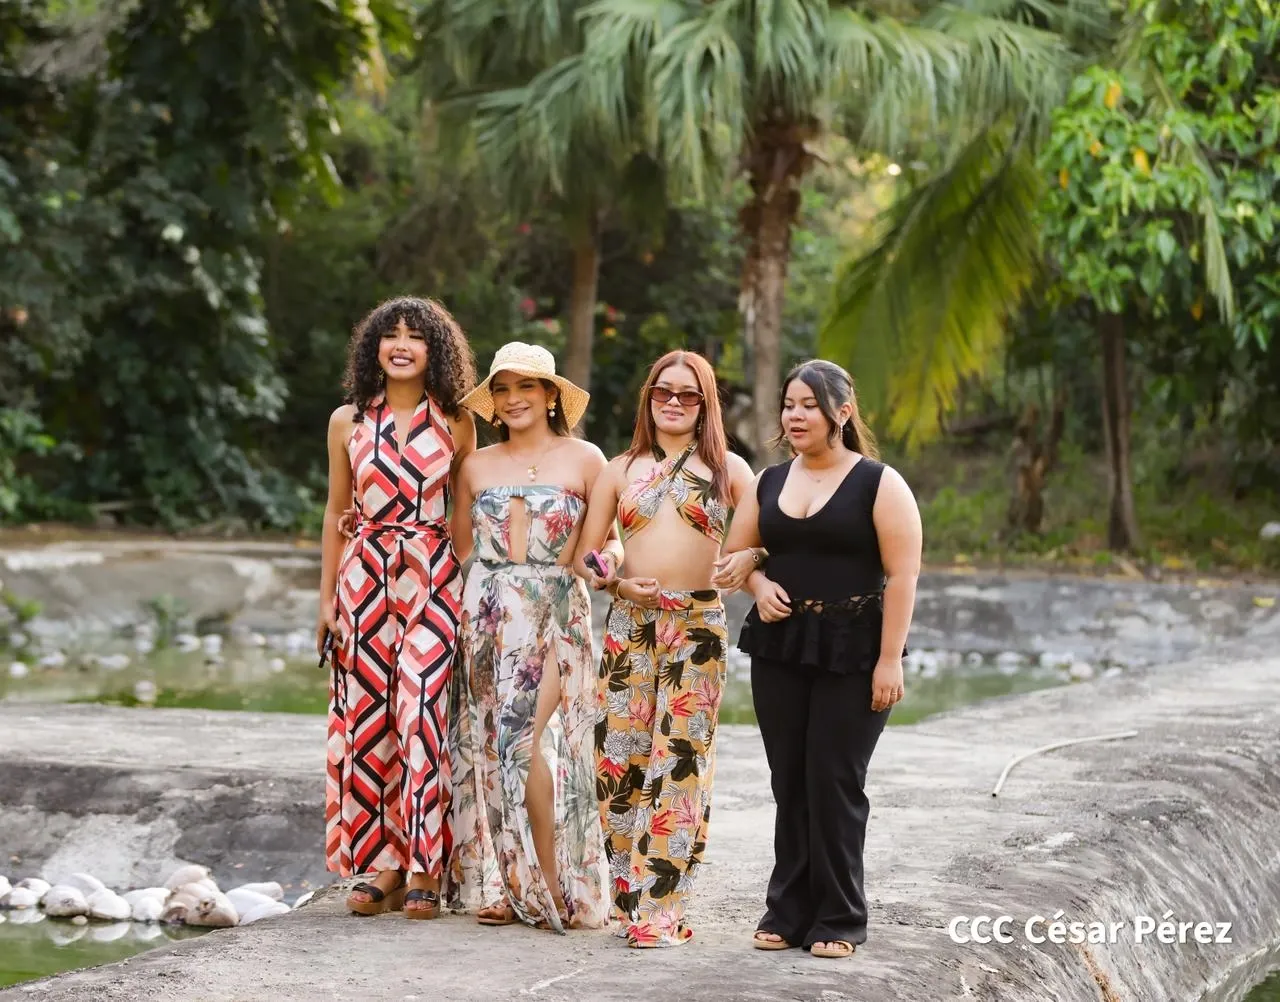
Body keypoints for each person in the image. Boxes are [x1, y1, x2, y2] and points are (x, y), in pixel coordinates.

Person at [712, 359, 922, 960]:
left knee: (834, 779)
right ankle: (788, 910)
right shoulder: (769, 482)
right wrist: (759, 586)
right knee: (790, 780)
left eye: (809, 405)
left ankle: (840, 916)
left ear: (842, 413)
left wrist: (890, 660)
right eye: (789, 405)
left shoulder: (879, 483)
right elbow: (734, 557)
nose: (795, 416)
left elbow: (903, 576)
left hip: (855, 650)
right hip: (781, 647)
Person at [575, 350, 755, 948]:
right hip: (631, 622)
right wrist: (614, 579)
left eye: (688, 394)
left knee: (678, 761)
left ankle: (662, 908)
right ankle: (630, 898)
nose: (673, 402)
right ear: (648, 398)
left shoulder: (729, 470)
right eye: (662, 391)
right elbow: (590, 553)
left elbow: (764, 537)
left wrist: (751, 557)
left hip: (697, 624)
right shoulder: (619, 469)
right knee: (619, 761)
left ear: (706, 404)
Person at [444, 342, 615, 933]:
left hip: (555, 612)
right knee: (493, 751)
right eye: (502, 389)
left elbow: (605, 545)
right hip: (487, 616)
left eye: (526, 387)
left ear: (550, 396)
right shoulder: (475, 466)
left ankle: (552, 885)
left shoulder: (586, 459)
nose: (513, 399)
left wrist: (610, 567)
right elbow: (458, 547)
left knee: (523, 743)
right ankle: (514, 883)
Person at [318, 296, 477, 919]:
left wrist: (468, 587)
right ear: (374, 347)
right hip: (362, 580)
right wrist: (326, 601)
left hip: (433, 577)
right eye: (391, 335)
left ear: (436, 350)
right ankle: (384, 864)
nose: (402, 345)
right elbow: (335, 511)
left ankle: (425, 865)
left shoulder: (457, 421)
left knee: (419, 712)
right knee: (369, 723)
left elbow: (463, 515)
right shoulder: (347, 421)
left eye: (416, 336)